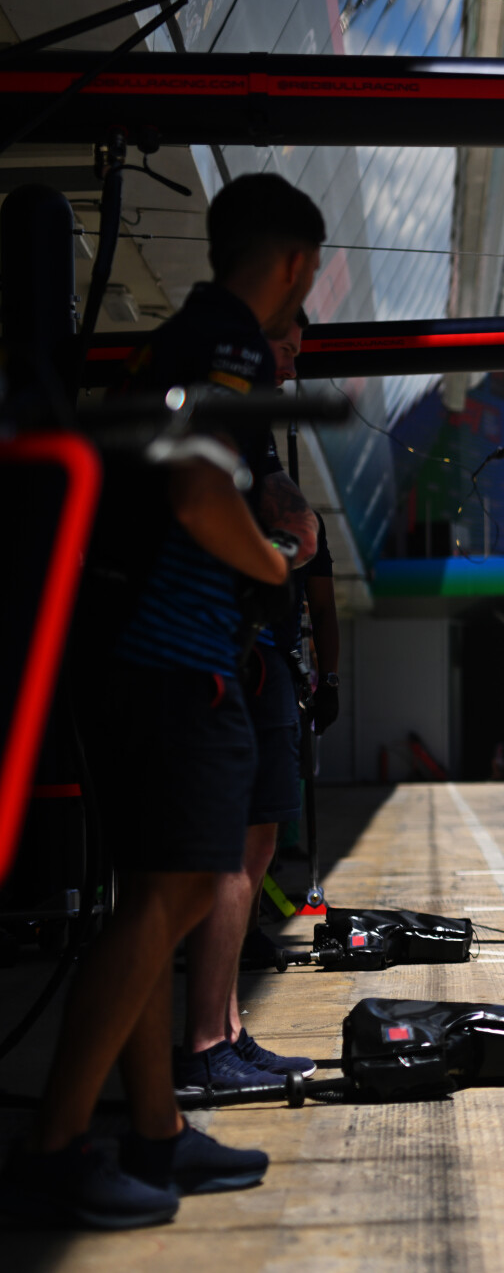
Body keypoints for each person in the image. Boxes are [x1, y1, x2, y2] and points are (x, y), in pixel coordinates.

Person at [1, 173, 324, 1227]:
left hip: (127, 655)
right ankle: (56, 1147)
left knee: (152, 893)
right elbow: (194, 494)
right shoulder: (229, 340)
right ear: (293, 268)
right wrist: (274, 562)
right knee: (171, 896)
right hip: (179, 661)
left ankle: (154, 1130)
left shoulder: (181, 337)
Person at [179, 311, 323, 1093]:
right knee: (231, 851)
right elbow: (274, 524)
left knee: (254, 844)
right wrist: (284, 555)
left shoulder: (252, 422)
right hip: (237, 653)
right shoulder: (228, 399)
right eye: (290, 348)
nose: (293, 368)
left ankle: (225, 1027)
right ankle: (208, 1040)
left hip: (254, 653)